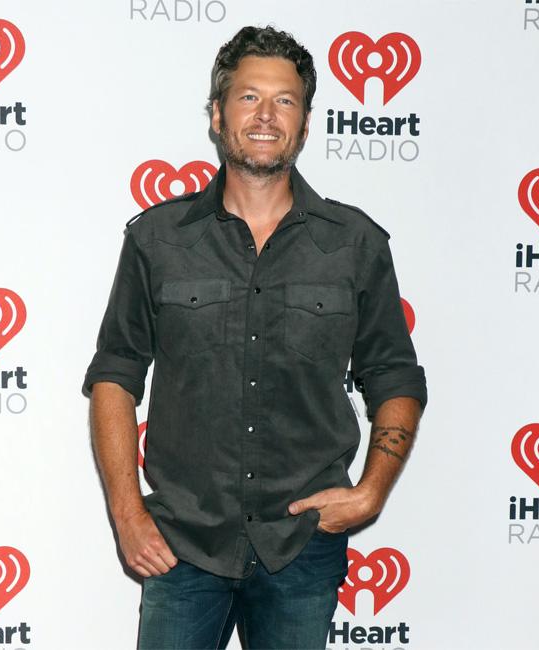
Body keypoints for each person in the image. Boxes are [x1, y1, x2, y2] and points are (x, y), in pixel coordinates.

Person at [83, 25, 427, 650]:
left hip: (303, 546)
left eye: (284, 100)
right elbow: (115, 375)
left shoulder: (355, 245)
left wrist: (372, 490)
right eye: (248, 97)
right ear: (217, 116)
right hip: (181, 545)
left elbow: (394, 375)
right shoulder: (157, 240)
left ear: (306, 122)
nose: (266, 115)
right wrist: (128, 514)